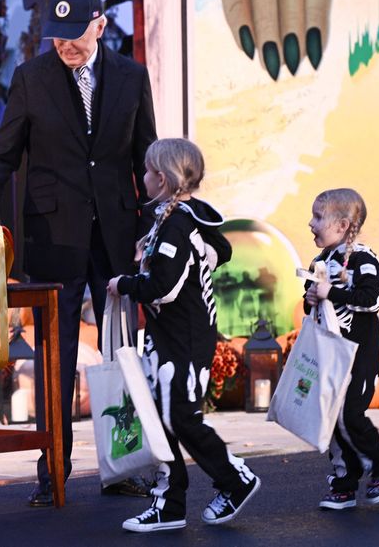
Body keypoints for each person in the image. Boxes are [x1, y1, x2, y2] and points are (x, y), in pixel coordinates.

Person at [0, 0, 157, 506]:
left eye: (74, 37)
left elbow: (145, 159)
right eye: (56, 38)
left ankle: (124, 467)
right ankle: (53, 469)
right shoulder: (31, 79)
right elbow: (3, 153)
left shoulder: (132, 78)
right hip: (53, 235)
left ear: (99, 24)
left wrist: (155, 223)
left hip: (116, 235)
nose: (65, 48)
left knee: (122, 354)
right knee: (57, 355)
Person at [109, 138, 260, 532]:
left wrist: (125, 283)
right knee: (161, 418)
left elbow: (163, 286)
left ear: (161, 177)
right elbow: (213, 251)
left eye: (146, 170)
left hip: (185, 337)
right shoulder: (175, 217)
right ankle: (170, 504)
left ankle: (233, 479)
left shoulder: (178, 221)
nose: (142, 177)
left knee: (180, 417)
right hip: (171, 334)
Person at [304, 188, 379, 509]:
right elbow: (312, 306)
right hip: (330, 353)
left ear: (343, 225)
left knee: (351, 414)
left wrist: (333, 293)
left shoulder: (363, 259)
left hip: (359, 353)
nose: (311, 223)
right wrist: (312, 299)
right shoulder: (319, 262)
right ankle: (345, 479)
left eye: (318, 217)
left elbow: (372, 298)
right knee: (331, 417)